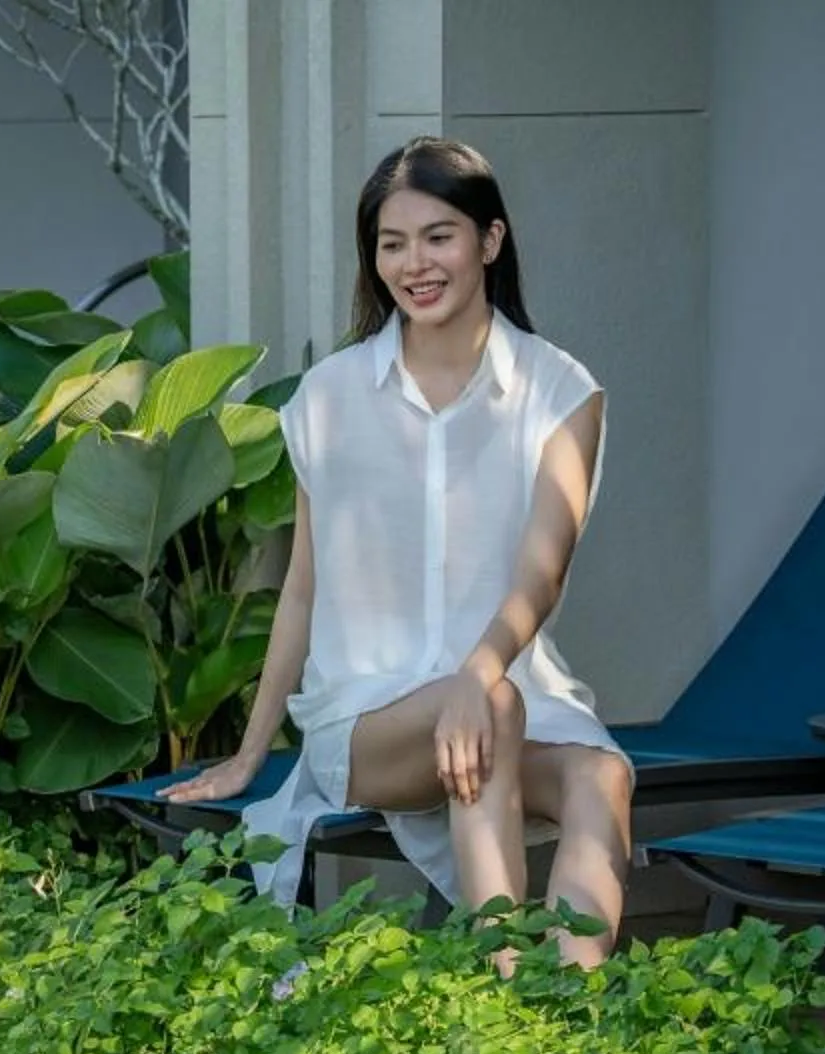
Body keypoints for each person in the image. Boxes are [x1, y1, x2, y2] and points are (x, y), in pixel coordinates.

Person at [164, 135, 635, 970]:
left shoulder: (560, 390)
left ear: (490, 241)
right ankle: (510, 1002)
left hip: (505, 691)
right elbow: (303, 589)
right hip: (368, 719)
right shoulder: (330, 397)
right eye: (392, 243)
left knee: (601, 777)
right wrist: (250, 750)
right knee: (491, 711)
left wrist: (476, 672)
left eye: (438, 236)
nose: (414, 263)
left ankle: (573, 1017)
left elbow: (543, 569)